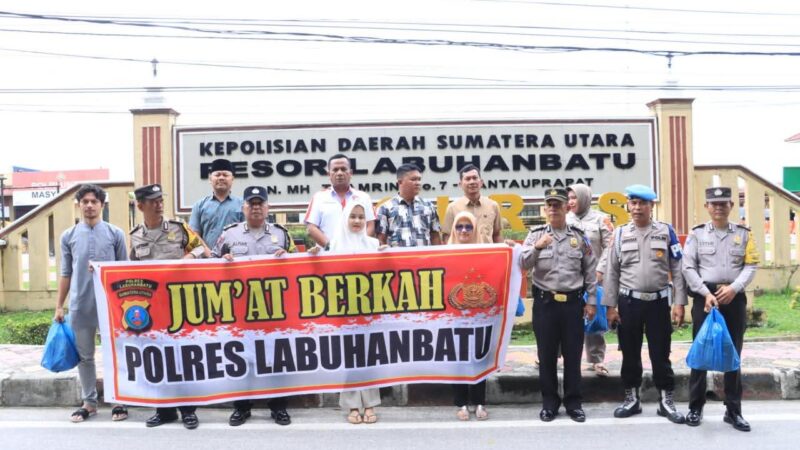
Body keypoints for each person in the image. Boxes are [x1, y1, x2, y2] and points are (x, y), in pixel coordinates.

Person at [603, 184, 687, 424]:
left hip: (658, 304)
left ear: (651, 206)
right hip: (629, 303)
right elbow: (611, 272)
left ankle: (666, 401)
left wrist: (679, 303)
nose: (637, 207)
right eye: (633, 203)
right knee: (630, 353)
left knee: (661, 353)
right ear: (628, 206)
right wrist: (610, 306)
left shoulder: (666, 231)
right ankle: (632, 399)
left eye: (642, 203)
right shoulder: (620, 234)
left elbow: (677, 269)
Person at [212, 185, 296, 426]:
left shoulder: (281, 234)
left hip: (274, 307)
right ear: (244, 207)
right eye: (252, 203)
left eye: (260, 203)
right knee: (241, 356)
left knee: (276, 357)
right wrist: (223, 261)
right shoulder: (230, 234)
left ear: (268, 208)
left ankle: (278, 406)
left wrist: (287, 258)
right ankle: (241, 407)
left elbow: (296, 265)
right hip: (240, 308)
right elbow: (211, 263)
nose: (256, 207)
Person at [682, 187, 759, 432]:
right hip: (705, 298)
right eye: (714, 204)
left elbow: (751, 265)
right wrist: (705, 293)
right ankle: (695, 407)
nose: (718, 207)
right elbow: (688, 267)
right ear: (707, 206)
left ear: (731, 206)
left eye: (723, 203)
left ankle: (733, 411)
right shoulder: (697, 234)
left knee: (733, 353)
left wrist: (734, 288)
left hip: (733, 298)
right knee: (701, 350)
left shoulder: (744, 234)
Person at [129, 184, 204, 429]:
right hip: (151, 307)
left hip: (179, 303)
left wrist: (188, 257)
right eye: (153, 201)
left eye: (160, 200)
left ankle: (188, 410)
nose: (159, 204)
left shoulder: (178, 228)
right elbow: (129, 269)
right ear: (140, 206)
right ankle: (164, 410)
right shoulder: (135, 235)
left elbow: (202, 248)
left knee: (182, 357)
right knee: (156, 358)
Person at [519, 188, 597, 423]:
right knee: (546, 355)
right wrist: (538, 247)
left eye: (558, 204)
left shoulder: (579, 236)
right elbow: (522, 263)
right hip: (546, 304)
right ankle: (550, 403)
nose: (553, 209)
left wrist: (592, 301)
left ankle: (574, 403)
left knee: (573, 355)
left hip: (573, 304)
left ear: (566, 207)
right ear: (545, 209)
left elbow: (590, 270)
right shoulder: (535, 235)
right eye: (549, 205)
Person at [53, 184, 128, 423]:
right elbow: (66, 273)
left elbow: (123, 270)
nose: (89, 206)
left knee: (114, 354)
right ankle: (89, 402)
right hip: (80, 303)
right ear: (79, 205)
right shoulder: (68, 236)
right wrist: (59, 305)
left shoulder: (115, 234)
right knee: (85, 356)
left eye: (94, 201)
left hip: (111, 305)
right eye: (84, 201)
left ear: (102, 205)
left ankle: (118, 401)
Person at [309, 200, 386, 424]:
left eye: (361, 217)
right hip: (343, 310)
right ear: (345, 219)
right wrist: (314, 256)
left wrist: (388, 256)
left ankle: (370, 404)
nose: (357, 221)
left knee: (369, 356)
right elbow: (321, 274)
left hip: (369, 310)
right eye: (353, 216)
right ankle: (352, 405)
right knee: (350, 356)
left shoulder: (374, 245)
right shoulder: (333, 246)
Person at [446, 211, 491, 421]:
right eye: (459, 226)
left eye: (469, 226)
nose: (464, 231)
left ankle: (480, 402)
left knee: (479, 357)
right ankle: (461, 403)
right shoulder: (444, 253)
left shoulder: (485, 252)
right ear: (453, 229)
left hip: (479, 314)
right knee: (458, 359)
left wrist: (511, 249)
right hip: (453, 315)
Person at [567, 184, 614, 377]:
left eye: (574, 198)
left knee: (594, 319)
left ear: (585, 198)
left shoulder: (601, 219)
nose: (571, 202)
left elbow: (610, 247)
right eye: (569, 198)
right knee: (564, 319)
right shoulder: (565, 219)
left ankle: (596, 360)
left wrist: (600, 270)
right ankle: (554, 356)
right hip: (570, 277)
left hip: (595, 277)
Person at [305, 154, 375, 247]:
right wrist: (330, 248)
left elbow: (370, 225)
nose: (339, 173)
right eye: (335, 170)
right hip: (328, 253)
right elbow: (311, 227)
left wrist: (360, 246)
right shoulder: (319, 197)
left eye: (343, 169)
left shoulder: (364, 197)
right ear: (329, 174)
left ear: (350, 173)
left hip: (358, 252)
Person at [375, 163, 442, 247]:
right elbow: (381, 239)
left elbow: (435, 237)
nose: (418, 183)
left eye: (419, 179)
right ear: (400, 182)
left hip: (425, 255)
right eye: (413, 179)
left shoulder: (428, 206)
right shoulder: (385, 208)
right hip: (397, 255)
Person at [189, 158, 244, 255]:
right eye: (217, 175)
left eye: (225, 175)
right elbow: (194, 234)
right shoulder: (199, 205)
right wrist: (209, 254)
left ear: (232, 179)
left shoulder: (242, 205)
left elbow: (247, 232)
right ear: (210, 179)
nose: (221, 178)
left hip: (236, 258)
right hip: (207, 260)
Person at [442, 164, 502, 244]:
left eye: (475, 178)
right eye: (467, 179)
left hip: (487, 251)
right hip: (463, 251)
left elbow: (497, 235)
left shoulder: (493, 206)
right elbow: (447, 236)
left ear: (481, 182)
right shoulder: (452, 208)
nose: (472, 182)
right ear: (460, 184)